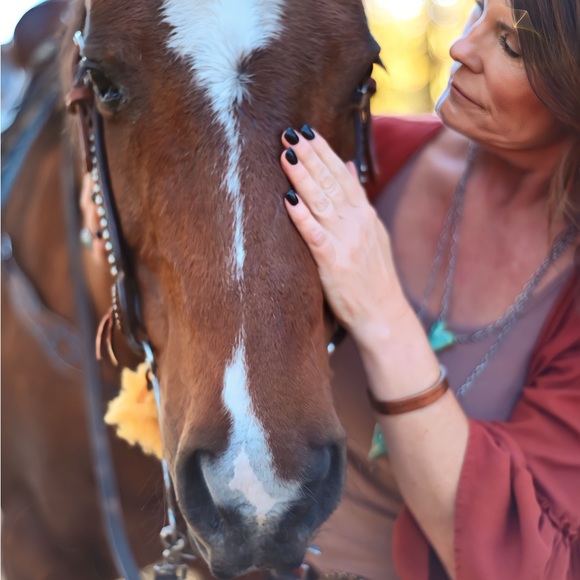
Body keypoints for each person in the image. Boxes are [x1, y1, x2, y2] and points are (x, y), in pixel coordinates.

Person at [278, 0, 579, 578]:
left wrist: (379, 308)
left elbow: (525, 559)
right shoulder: (361, 157)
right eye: (478, 10)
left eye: (510, 44)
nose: (461, 47)